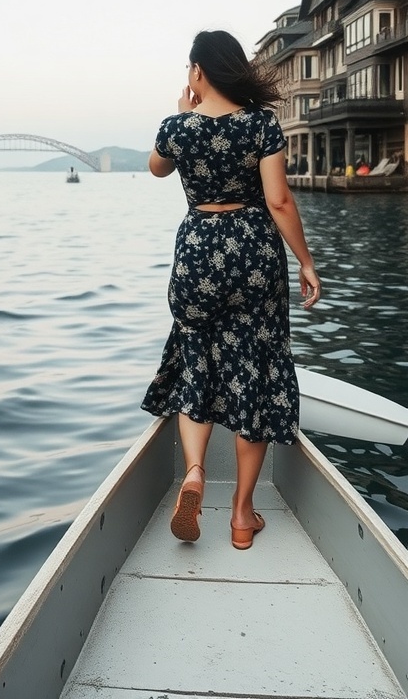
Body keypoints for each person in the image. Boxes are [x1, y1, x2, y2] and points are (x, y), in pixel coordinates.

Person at [141, 30, 321, 549]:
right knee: (255, 369)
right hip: (253, 251)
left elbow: (155, 169)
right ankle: (242, 517)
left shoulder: (176, 127)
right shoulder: (262, 123)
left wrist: (184, 112)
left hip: (198, 250)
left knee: (195, 354)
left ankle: (194, 471)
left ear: (197, 72)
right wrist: (306, 263)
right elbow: (279, 201)